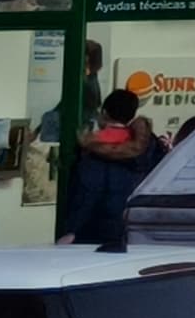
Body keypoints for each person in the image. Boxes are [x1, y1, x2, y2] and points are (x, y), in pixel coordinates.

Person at [59, 86, 157, 248]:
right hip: (132, 228)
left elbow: (87, 191)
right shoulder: (148, 146)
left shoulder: (93, 144)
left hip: (94, 228)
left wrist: (71, 230)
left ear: (104, 113)